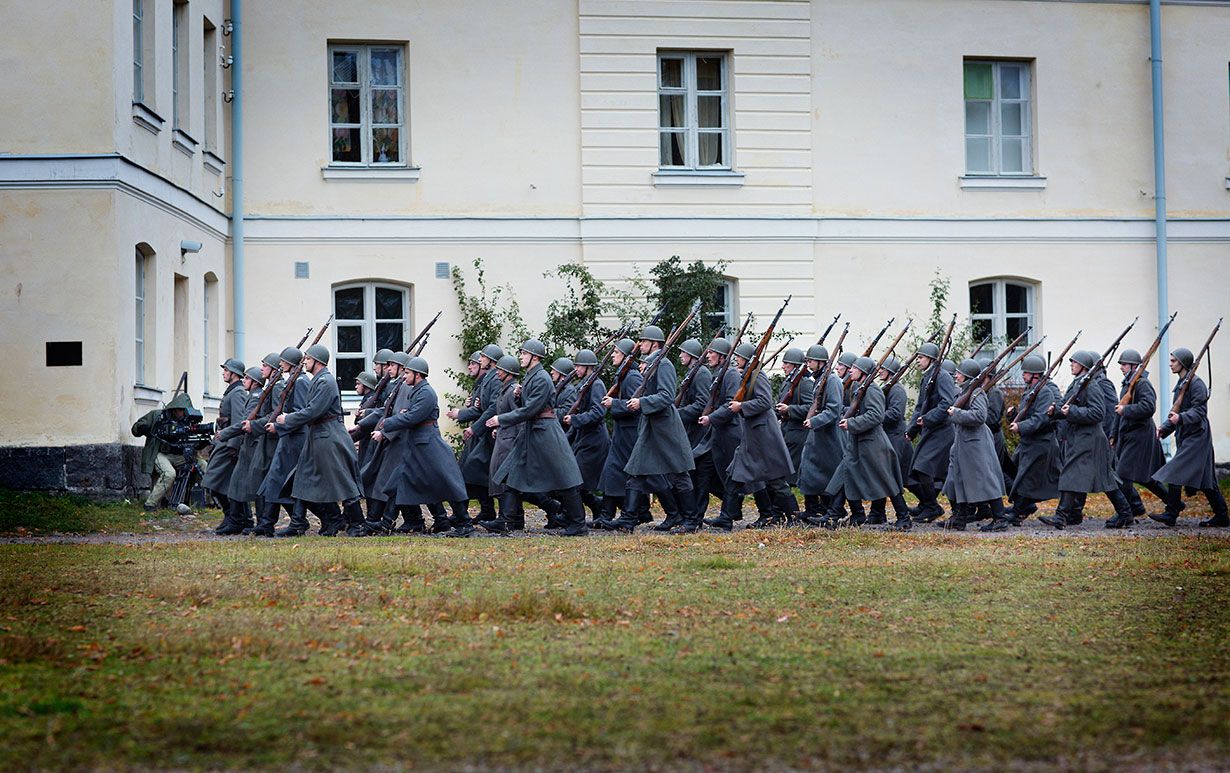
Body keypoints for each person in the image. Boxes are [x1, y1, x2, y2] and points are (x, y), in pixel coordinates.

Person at [486, 339, 588, 536]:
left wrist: (501, 419)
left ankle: (578, 524)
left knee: (564, 476)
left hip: (545, 431)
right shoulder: (532, 376)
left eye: (524, 353)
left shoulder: (541, 378)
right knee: (511, 471)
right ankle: (506, 520)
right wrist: (518, 396)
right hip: (533, 430)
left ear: (534, 357)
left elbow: (531, 409)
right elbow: (527, 405)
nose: (521, 357)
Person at [606, 327, 696, 533]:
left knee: (678, 474)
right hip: (651, 426)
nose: (640, 345)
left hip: (665, 427)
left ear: (654, 344)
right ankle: (628, 520)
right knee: (636, 471)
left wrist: (641, 402)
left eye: (644, 341)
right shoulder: (652, 363)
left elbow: (667, 396)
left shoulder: (663, 364)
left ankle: (691, 520)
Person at [372, 356, 474, 537]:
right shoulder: (418, 391)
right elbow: (411, 414)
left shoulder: (426, 392)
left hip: (428, 445)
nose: (404, 376)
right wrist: (403, 415)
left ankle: (465, 524)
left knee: (447, 483)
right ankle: (386, 524)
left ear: (418, 375)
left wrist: (388, 422)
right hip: (417, 445)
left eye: (407, 373)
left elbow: (413, 417)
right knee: (397, 481)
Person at [704, 342, 796, 531]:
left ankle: (794, 516)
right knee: (733, 476)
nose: (736, 359)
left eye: (739, 356)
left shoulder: (757, 375)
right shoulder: (746, 375)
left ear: (747, 359)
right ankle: (726, 518)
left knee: (776, 480)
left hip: (764, 435)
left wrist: (741, 406)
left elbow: (765, 401)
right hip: (752, 434)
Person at [1038, 351, 1135, 530]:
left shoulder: (1091, 385)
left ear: (1083, 366)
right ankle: (1125, 514)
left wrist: (1071, 412)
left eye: (1074, 362)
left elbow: (1098, 413)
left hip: (1089, 438)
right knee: (1105, 479)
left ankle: (1060, 516)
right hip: (1082, 437)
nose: (1071, 365)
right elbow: (1067, 406)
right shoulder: (1078, 383)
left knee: (1071, 473)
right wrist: (1055, 411)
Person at [276, 344, 363, 536]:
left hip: (329, 436)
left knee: (341, 481)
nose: (305, 362)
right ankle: (302, 523)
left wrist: (288, 419)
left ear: (318, 361)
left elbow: (313, 410)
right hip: (318, 435)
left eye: (308, 359)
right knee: (302, 479)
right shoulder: (318, 380)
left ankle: (357, 524)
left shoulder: (325, 381)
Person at [1150, 347, 1229, 527]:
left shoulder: (1196, 384)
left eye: (1173, 361)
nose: (1170, 364)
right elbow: (1176, 413)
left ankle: (1171, 513)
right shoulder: (1182, 383)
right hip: (1188, 435)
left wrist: (1181, 418)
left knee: (1175, 469)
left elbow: (1200, 411)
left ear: (1183, 363)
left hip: (1197, 436)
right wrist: (1164, 428)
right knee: (1207, 479)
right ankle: (1222, 515)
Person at [989, 354, 1060, 530]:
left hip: (1041, 442)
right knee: (1017, 474)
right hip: (1029, 441)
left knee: (1025, 478)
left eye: (1026, 372)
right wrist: (1014, 415)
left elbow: (1041, 418)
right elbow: (1028, 414)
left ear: (1035, 374)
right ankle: (1022, 508)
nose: (1023, 375)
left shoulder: (1044, 392)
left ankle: (1018, 511)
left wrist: (1021, 426)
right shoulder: (1031, 390)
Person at [838, 357, 910, 529]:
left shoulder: (872, 389)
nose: (850, 370)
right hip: (863, 441)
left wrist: (852, 423)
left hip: (874, 443)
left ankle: (904, 518)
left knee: (887, 480)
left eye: (854, 368)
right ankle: (857, 514)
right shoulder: (861, 388)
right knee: (853, 474)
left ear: (863, 371)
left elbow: (876, 415)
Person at [940, 359, 1007, 530]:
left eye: (959, 373)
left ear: (967, 376)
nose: (956, 375)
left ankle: (1000, 518)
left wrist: (957, 413)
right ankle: (960, 518)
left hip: (976, 443)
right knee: (958, 478)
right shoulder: (965, 392)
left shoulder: (976, 393)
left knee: (985, 479)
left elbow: (980, 416)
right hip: (964, 441)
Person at [683, 337, 742, 532]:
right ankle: (700, 518)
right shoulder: (719, 373)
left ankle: (727, 516)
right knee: (703, 474)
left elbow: (730, 404)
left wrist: (711, 417)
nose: (708, 355)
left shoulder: (731, 374)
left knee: (730, 479)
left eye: (712, 352)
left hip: (728, 433)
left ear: (722, 356)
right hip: (715, 433)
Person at [1108, 348, 1169, 526]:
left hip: (1140, 434)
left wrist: (1126, 410)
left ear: (1134, 366)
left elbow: (1149, 407)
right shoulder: (1128, 384)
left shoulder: (1142, 384)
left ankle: (1124, 514)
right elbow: (1118, 412)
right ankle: (1174, 503)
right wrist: (1113, 434)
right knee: (1146, 478)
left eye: (1124, 364)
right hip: (1129, 434)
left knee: (1123, 474)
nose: (1121, 367)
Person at [258, 347, 312, 537]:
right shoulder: (294, 380)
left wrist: (279, 426)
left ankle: (299, 522)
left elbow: (300, 412)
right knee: (275, 481)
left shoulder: (301, 382)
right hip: (288, 437)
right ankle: (267, 523)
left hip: (296, 438)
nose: (280, 364)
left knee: (287, 483)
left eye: (283, 361)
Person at [449, 344, 504, 524]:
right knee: (474, 473)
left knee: (475, 472)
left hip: (488, 433)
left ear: (491, 360)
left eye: (481, 358)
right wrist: (471, 407)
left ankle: (501, 515)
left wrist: (469, 421)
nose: (478, 361)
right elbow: (481, 407)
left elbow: (492, 408)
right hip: (482, 433)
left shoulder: (495, 379)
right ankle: (484, 511)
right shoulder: (488, 379)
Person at [595, 339, 645, 528]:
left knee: (644, 477)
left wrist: (613, 403)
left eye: (616, 352)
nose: (613, 356)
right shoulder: (626, 376)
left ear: (626, 356)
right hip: (622, 433)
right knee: (611, 473)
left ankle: (668, 512)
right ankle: (606, 515)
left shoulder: (632, 377)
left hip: (630, 434)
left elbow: (635, 406)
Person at [906, 342, 955, 523]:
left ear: (931, 359)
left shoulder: (942, 377)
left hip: (942, 430)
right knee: (918, 469)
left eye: (921, 357)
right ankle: (928, 505)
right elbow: (920, 406)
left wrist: (928, 418)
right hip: (931, 429)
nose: (918, 360)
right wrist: (911, 430)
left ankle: (932, 507)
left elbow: (946, 403)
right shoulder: (927, 377)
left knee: (923, 467)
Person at [796, 345, 843, 525]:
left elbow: (834, 409)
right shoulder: (820, 379)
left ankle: (834, 512)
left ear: (821, 362)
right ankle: (813, 509)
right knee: (809, 471)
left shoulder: (832, 380)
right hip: (819, 434)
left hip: (829, 436)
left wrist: (814, 421)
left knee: (829, 475)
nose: (808, 364)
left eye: (810, 361)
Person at [200, 357, 248, 534]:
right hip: (223, 442)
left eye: (226, 370)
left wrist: (233, 446)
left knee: (215, 481)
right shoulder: (232, 391)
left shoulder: (237, 393)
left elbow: (239, 421)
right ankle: (234, 518)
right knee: (223, 483)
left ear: (234, 373)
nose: (223, 373)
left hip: (228, 443)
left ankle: (236, 519)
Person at [563, 348, 610, 524]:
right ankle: (596, 508)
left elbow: (598, 412)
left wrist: (575, 419)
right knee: (576, 480)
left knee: (576, 480)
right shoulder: (585, 383)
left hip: (594, 439)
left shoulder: (596, 385)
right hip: (584, 438)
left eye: (579, 366)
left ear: (588, 367)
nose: (575, 369)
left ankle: (575, 518)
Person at [243, 354, 289, 537]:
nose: (261, 368)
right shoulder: (272, 385)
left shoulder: (277, 387)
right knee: (263, 480)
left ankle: (267, 522)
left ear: (274, 369)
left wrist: (254, 425)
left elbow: (275, 414)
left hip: (272, 440)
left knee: (268, 481)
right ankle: (264, 522)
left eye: (265, 366)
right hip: (266, 438)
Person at [131, 392, 197, 511]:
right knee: (169, 473)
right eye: (182, 410)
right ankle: (150, 504)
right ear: (175, 409)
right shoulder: (157, 416)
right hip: (159, 453)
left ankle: (210, 501)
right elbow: (136, 428)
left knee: (202, 465)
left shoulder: (188, 420)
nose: (184, 413)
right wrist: (142, 428)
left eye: (186, 411)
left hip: (179, 455)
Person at [867, 357, 913, 527]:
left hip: (895, 437)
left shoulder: (897, 390)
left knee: (889, 476)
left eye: (883, 369)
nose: (880, 371)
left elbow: (895, 414)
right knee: (881, 474)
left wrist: (875, 416)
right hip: (887, 435)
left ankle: (903, 517)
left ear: (891, 372)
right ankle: (877, 513)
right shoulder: (888, 388)